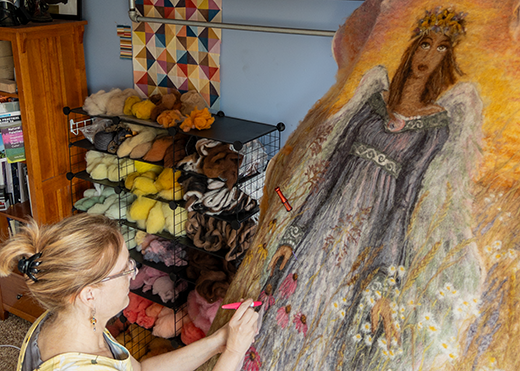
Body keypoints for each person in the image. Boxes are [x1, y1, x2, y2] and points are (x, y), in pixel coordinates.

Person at [247, 8, 482, 371]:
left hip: (364, 243)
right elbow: (329, 173)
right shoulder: (372, 105)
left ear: (447, 59)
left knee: (327, 328)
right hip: (323, 229)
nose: (428, 55)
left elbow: (404, 202)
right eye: (424, 43)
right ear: (412, 48)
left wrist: (385, 279)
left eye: (440, 49)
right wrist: (293, 236)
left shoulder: (435, 125)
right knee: (291, 310)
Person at [0, 213, 259, 371]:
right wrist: (234, 353)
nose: (133, 274)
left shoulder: (67, 320)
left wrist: (219, 341)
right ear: (89, 294)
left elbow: (140, 370)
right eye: (125, 269)